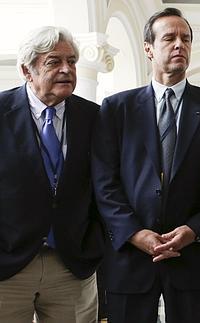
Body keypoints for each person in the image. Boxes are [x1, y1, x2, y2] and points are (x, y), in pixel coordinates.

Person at [92, 8, 200, 323]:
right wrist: (134, 233)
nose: (179, 45)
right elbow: (104, 182)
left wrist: (194, 230)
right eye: (169, 38)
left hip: (193, 255)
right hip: (129, 257)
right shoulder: (117, 109)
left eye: (185, 39)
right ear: (148, 49)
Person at [0, 26, 104, 322]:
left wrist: (95, 243)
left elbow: (104, 186)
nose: (66, 69)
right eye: (53, 62)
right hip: (8, 265)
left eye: (71, 61)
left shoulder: (94, 117)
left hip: (72, 264)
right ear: (26, 70)